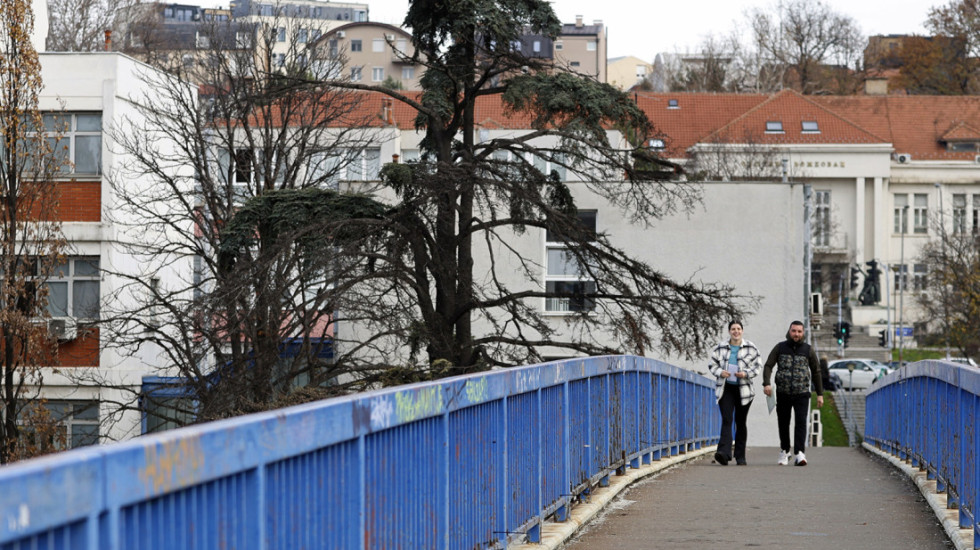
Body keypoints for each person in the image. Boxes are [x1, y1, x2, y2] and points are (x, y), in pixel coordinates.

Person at [762, 321, 824, 466]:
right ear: (789, 331)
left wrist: (820, 394)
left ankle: (799, 453)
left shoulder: (808, 350)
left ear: (803, 333)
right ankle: (784, 451)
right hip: (783, 392)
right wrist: (766, 383)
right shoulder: (780, 347)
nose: (796, 334)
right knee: (783, 423)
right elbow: (768, 365)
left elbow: (816, 371)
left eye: (799, 331)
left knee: (801, 422)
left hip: (802, 392)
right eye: (794, 331)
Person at [707, 320, 762, 466]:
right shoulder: (721, 347)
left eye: (738, 329)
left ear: (742, 331)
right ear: (729, 331)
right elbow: (712, 364)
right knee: (726, 419)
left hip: (744, 390)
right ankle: (724, 453)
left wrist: (745, 374)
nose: (736, 331)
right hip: (726, 388)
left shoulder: (751, 347)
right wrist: (720, 372)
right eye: (733, 329)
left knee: (740, 421)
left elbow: (758, 367)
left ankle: (740, 456)